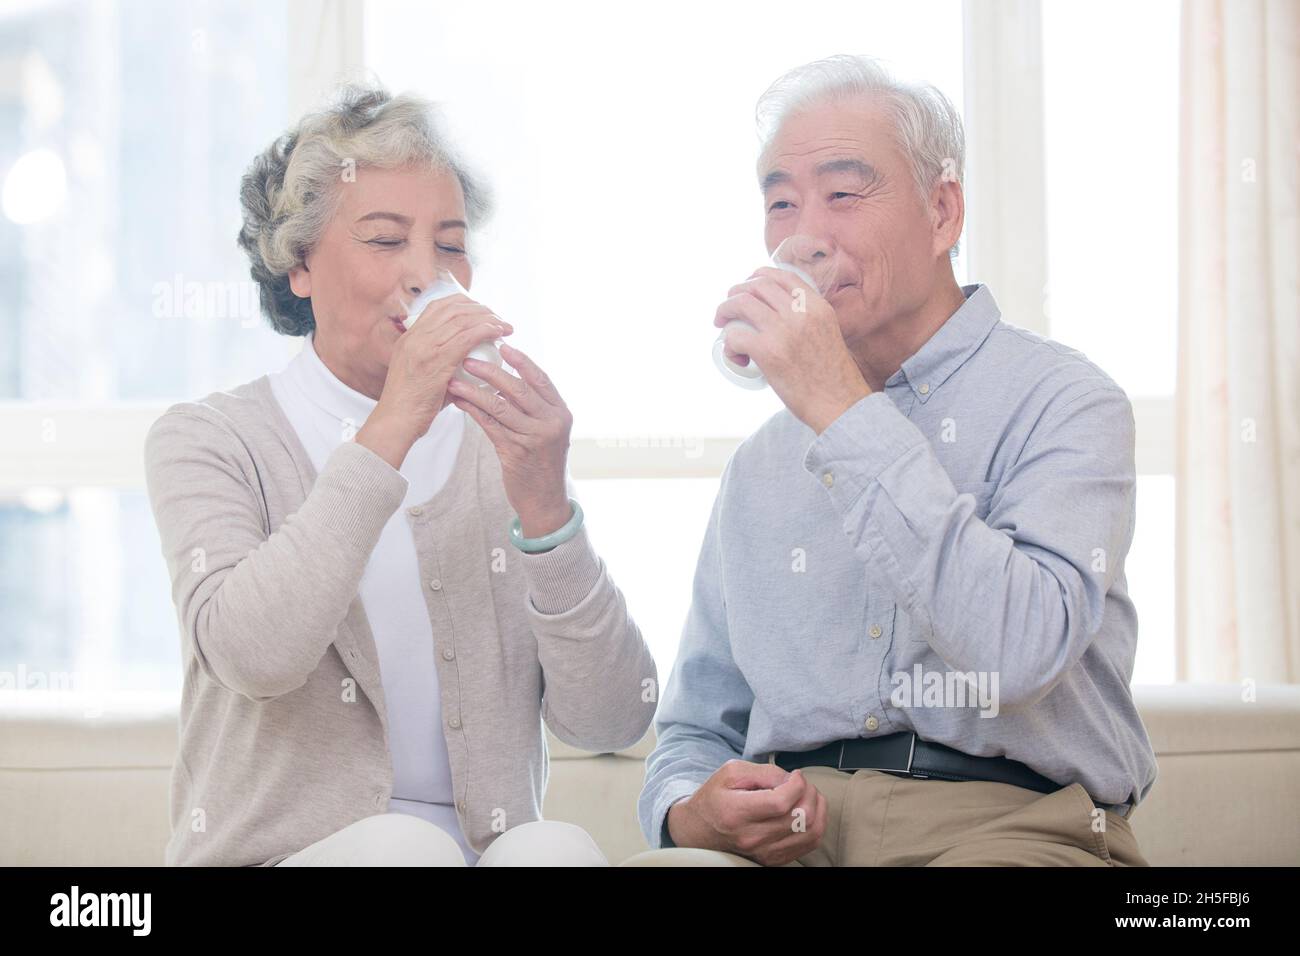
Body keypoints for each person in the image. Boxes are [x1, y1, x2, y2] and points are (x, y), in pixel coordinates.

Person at [633, 54, 1157, 867]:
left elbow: (1018, 653)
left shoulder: (1065, 401)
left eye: (843, 194)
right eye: (780, 202)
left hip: (1013, 828)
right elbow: (698, 727)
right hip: (793, 841)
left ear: (943, 212)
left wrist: (844, 412)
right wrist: (686, 814)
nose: (804, 233)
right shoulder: (762, 465)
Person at [144, 82, 656, 866]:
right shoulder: (212, 439)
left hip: (484, 853)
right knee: (403, 851)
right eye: (385, 240)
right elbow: (255, 655)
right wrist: (394, 422)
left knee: (556, 848)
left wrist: (548, 510)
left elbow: (613, 719)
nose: (427, 273)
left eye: (450, 245)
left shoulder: (496, 452)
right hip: (279, 856)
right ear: (299, 265)